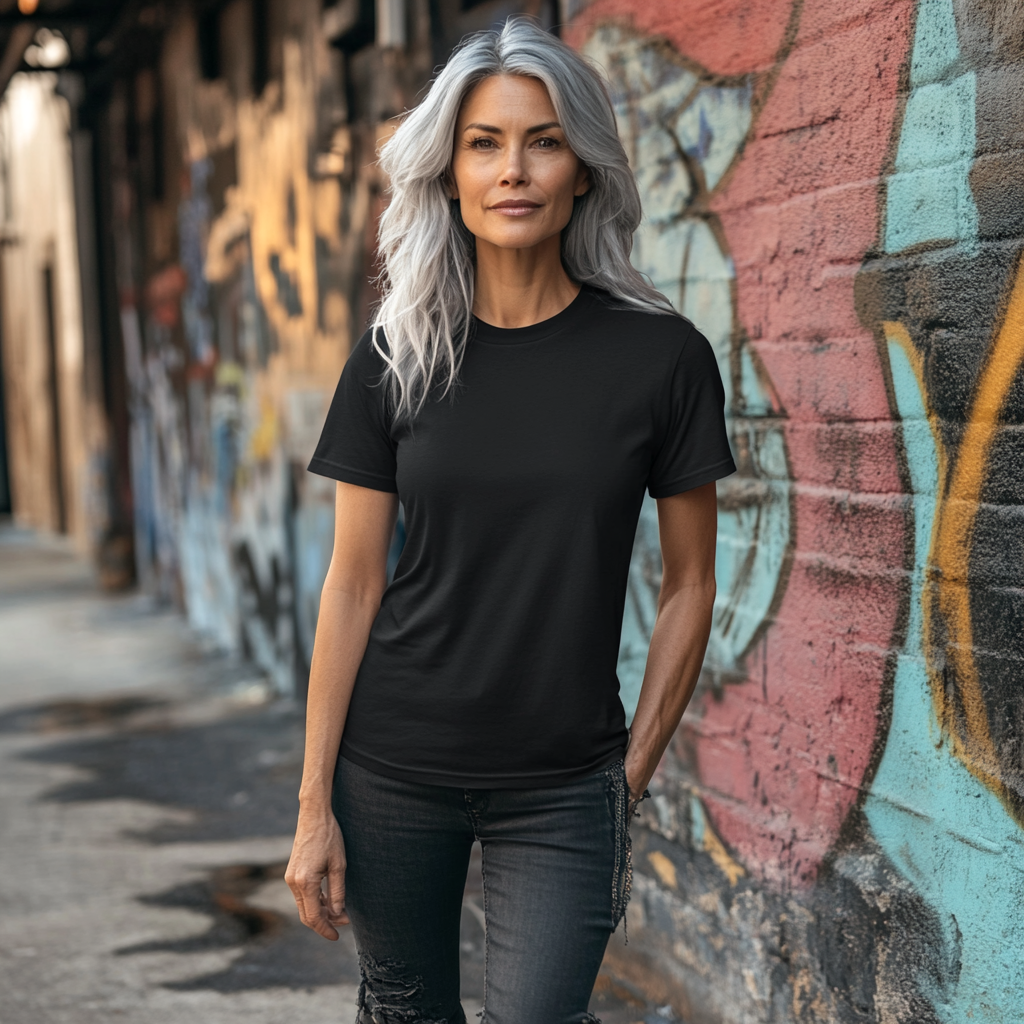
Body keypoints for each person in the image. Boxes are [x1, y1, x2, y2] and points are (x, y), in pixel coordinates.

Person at [286, 17, 735, 1024]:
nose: (512, 169)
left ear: (583, 168)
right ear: (447, 176)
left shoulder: (660, 359)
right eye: (483, 144)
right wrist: (315, 806)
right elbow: (352, 583)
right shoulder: (392, 358)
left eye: (542, 140)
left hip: (565, 783)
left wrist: (625, 778)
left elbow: (689, 583)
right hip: (393, 768)